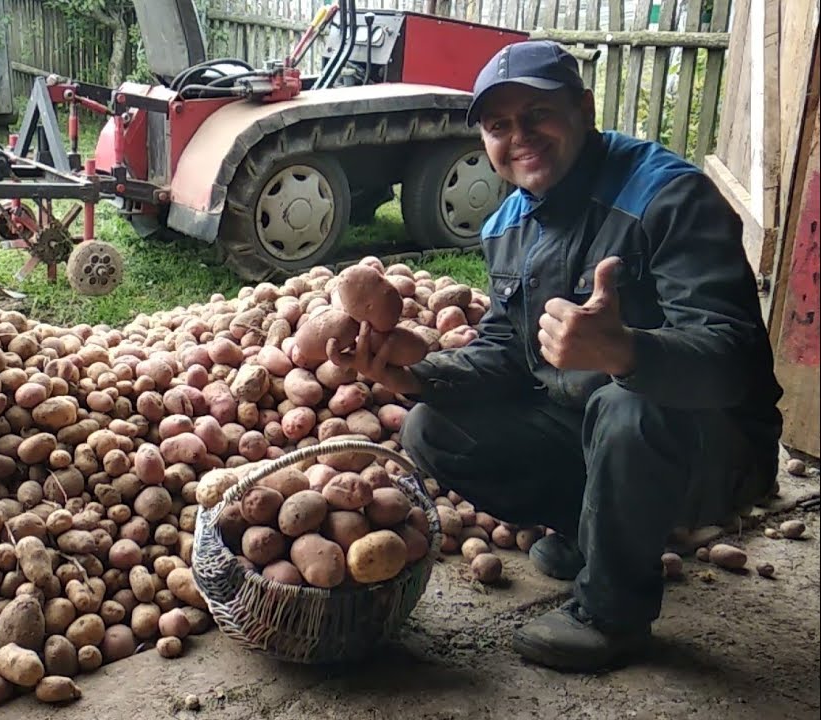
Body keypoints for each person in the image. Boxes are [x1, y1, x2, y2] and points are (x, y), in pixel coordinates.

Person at [326, 40, 783, 672]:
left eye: (538, 114)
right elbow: (508, 352)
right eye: (498, 126)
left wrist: (626, 350)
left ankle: (611, 615)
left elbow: (735, 360)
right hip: (596, 437)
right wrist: (415, 371)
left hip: (715, 448)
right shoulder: (507, 225)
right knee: (433, 427)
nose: (520, 137)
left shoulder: (670, 197)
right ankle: (598, 536)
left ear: (585, 109)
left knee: (631, 402)